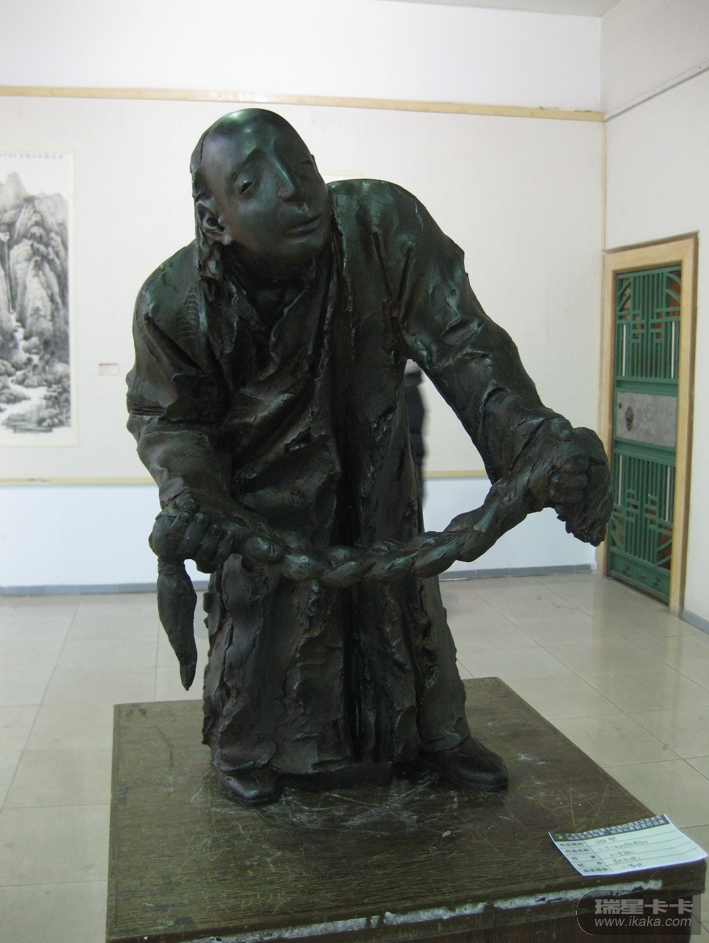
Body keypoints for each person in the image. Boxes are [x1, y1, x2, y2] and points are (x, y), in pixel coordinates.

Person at [127, 109, 611, 807]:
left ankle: (433, 732)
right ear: (215, 217)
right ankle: (250, 744)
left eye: (303, 164)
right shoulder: (172, 303)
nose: (294, 189)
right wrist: (191, 497)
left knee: (404, 611)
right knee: (264, 631)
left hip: (375, 481)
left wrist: (536, 441)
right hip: (259, 517)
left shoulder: (383, 228)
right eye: (253, 182)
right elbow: (171, 421)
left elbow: (465, 344)